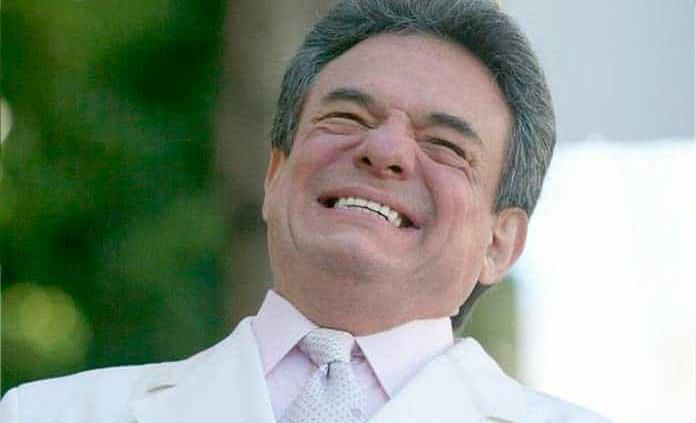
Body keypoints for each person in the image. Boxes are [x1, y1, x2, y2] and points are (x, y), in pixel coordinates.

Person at [0, 0, 611, 422]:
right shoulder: (44, 415)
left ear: (501, 243)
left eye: (445, 145)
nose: (384, 149)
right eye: (346, 117)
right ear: (275, 175)